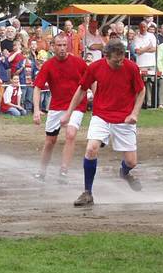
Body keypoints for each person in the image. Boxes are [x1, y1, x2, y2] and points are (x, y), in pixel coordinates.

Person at [61, 39, 146, 207]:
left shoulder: (131, 67)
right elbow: (82, 89)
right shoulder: (95, 67)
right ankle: (87, 193)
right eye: (116, 60)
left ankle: (124, 172)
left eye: (122, 58)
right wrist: (69, 112)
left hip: (124, 119)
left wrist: (134, 113)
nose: (120, 62)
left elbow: (141, 90)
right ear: (106, 56)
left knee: (131, 162)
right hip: (101, 115)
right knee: (91, 148)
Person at [32, 33, 88, 183]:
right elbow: (37, 88)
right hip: (57, 106)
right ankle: (41, 171)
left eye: (65, 45)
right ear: (53, 46)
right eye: (59, 45)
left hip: (76, 105)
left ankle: (63, 171)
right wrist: (36, 110)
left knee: (70, 134)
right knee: (50, 140)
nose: (62, 48)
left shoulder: (79, 63)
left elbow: (91, 80)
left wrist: (97, 98)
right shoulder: (48, 65)